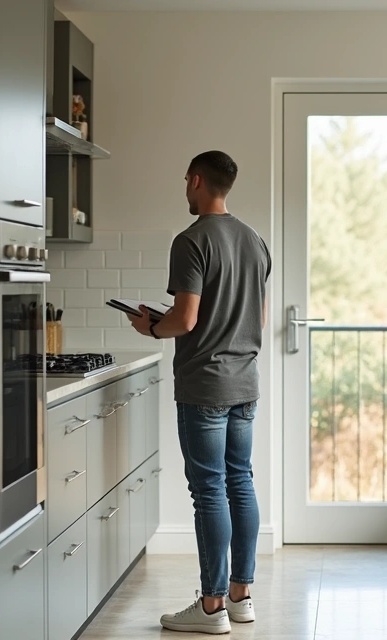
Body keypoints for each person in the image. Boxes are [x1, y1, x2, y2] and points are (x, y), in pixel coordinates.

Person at [127, 150, 270, 635]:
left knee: (209, 491)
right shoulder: (255, 240)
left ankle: (210, 608)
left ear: (196, 182)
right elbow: (259, 318)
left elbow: (184, 320)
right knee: (240, 482)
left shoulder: (190, 242)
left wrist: (150, 327)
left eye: (185, 181)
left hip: (204, 384)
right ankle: (241, 597)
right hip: (245, 383)